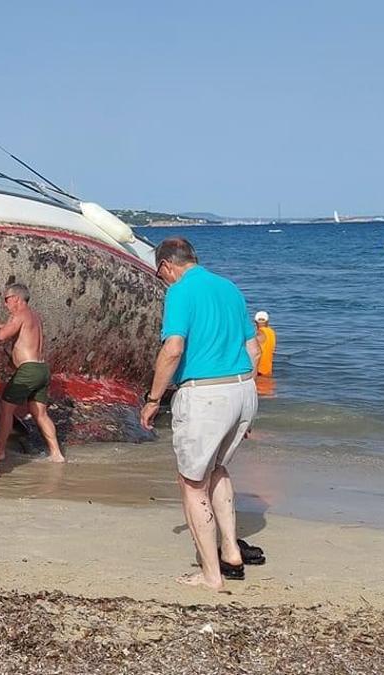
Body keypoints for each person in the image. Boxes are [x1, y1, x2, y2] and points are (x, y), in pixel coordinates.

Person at [140, 237, 262, 592]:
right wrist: (244, 397)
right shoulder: (229, 288)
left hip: (205, 395)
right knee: (218, 469)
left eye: (158, 273)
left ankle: (211, 575)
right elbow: (252, 349)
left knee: (192, 484)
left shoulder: (179, 292)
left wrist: (152, 398)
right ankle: (231, 552)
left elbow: (173, 349)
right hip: (243, 388)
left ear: (166, 266)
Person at [0, 283, 65, 463]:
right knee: (40, 413)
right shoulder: (34, 316)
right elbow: (15, 329)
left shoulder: (19, 315)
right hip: (42, 369)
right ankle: (56, 453)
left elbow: (1, 336)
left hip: (28, 370)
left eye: (7, 300)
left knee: (5, 408)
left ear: (16, 298)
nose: (5, 304)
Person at [254, 310, 276, 377]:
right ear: (267, 321)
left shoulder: (258, 333)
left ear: (255, 322)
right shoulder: (271, 332)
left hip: (258, 372)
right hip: (267, 371)